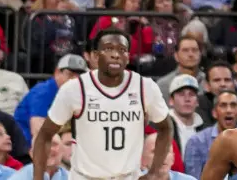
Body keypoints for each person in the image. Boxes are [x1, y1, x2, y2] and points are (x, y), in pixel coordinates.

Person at [32, 30, 173, 180]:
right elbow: (45, 135)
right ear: (95, 56)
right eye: (108, 48)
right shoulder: (74, 89)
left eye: (122, 50)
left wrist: (154, 172)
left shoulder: (145, 87)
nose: (115, 54)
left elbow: (166, 127)